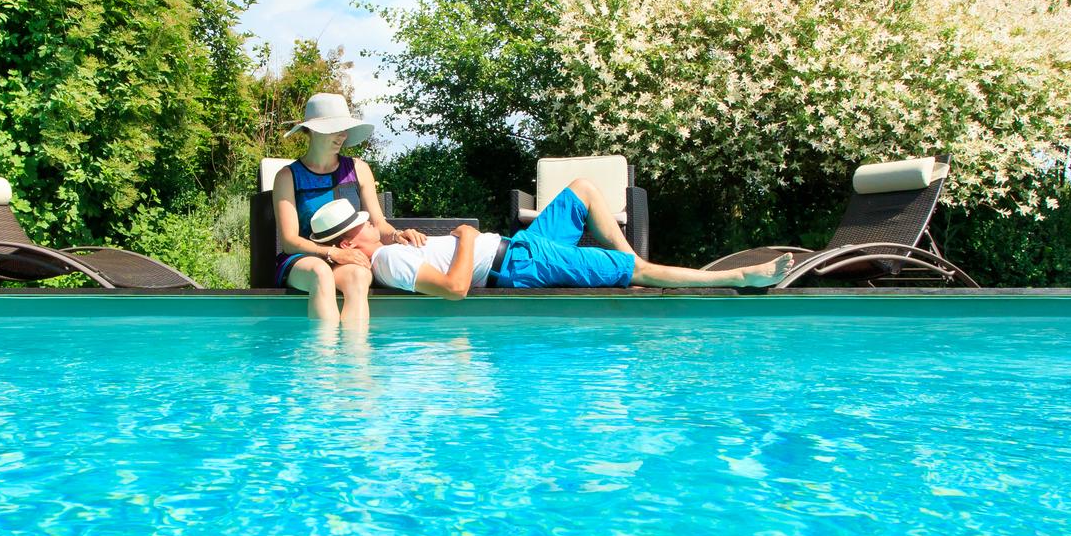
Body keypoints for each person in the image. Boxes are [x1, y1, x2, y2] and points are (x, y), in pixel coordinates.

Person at [306, 178, 793, 302]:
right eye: (365, 223)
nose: (376, 223)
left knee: (582, 189)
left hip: (518, 248)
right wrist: (468, 235)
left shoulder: (390, 252)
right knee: (637, 272)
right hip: (517, 265)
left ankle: (626, 268)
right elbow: (455, 290)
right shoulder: (388, 261)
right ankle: (739, 276)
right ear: (350, 245)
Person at [273, 92, 427, 322]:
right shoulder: (287, 176)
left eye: (344, 129)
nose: (343, 135)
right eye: (336, 128)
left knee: (358, 275)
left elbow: (378, 223)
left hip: (351, 257)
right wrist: (333, 252)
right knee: (321, 272)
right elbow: (289, 241)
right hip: (304, 259)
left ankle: (354, 357)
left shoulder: (359, 168)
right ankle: (321, 357)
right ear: (313, 131)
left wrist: (396, 235)